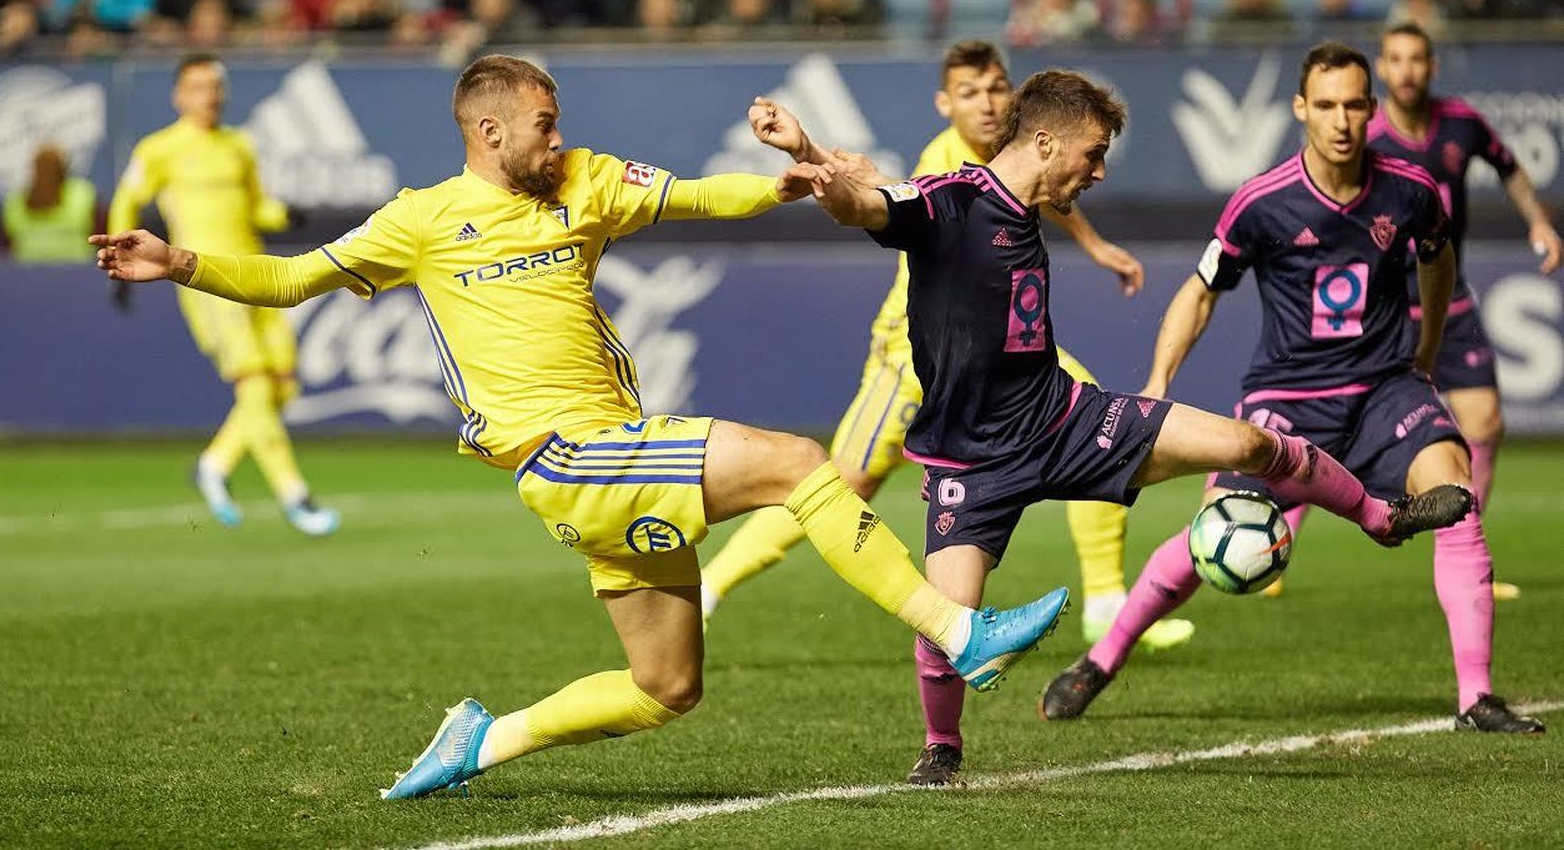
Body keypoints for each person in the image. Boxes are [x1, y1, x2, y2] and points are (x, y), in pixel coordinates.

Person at [91, 54, 1073, 800]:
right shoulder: (420, 219)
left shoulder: (584, 183)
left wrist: (790, 178)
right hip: (565, 455)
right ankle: (960, 630)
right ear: (487, 128)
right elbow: (293, 276)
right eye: (543, 125)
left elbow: (696, 195)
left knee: (665, 685)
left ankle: (481, 740)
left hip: (599, 465)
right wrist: (179, 260)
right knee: (799, 461)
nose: (557, 140)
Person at [753, 60, 1475, 775]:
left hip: (1066, 420)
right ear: (1043, 143)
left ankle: (1381, 517)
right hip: (970, 462)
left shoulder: (1030, 206)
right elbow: (865, 204)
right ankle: (942, 748)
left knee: (1250, 441)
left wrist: (825, 159)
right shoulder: (951, 202)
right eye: (1092, 154)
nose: (1098, 172)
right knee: (946, 626)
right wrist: (808, 156)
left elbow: (870, 182)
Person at [700, 41, 1194, 783]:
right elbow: (876, 198)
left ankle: (1104, 598)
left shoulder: (1026, 159)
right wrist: (810, 151)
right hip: (914, 356)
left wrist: (1097, 246)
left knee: (1094, 414)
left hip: (1002, 356)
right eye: (971, 92)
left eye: (997, 88)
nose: (988, 102)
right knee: (840, 483)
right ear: (947, 104)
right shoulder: (946, 161)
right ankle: (715, 582)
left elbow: (1047, 200)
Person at [1038, 42, 1541, 735]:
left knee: (1453, 494)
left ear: (1372, 109)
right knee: (1212, 533)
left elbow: (1439, 261)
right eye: (1326, 105)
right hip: (1286, 402)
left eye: (1354, 105)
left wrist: (1423, 352)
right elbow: (1200, 292)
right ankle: (1100, 661)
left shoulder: (1411, 191)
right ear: (1301, 108)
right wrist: (1158, 381)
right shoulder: (1261, 201)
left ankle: (1476, 697)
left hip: (1384, 391)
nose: (1341, 120)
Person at [1369, 22, 1562, 602]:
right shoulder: (1366, 136)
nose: (1406, 70)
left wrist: (1538, 221)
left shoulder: (1461, 122)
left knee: (1485, 425)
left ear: (1431, 67)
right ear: (1383, 68)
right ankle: (1283, 533)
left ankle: (1464, 546)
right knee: (1333, 423)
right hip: (1382, 306)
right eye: (1396, 59)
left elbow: (1508, 167)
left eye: (1417, 59)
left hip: (1446, 297)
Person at [107, 53, 337, 538]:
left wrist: (285, 215)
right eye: (198, 86)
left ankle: (214, 464)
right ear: (178, 95)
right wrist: (118, 253)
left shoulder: (239, 146)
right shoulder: (159, 149)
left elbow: (257, 206)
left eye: (215, 86)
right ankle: (295, 496)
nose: (209, 95)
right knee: (253, 386)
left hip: (257, 274)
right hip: (205, 281)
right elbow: (127, 199)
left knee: (283, 385)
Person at [1, 145, 98, 264]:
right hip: (76, 269)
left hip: (28, 269)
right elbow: (96, 233)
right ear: (63, 167)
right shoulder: (83, 193)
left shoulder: (14, 200)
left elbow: (10, 240)